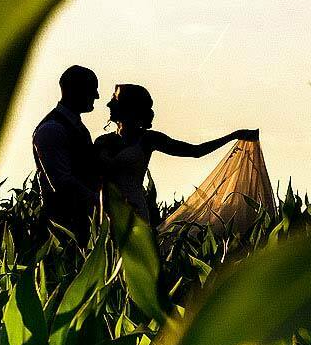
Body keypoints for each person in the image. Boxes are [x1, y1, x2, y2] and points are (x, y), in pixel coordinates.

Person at [94, 84, 257, 226]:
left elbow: (195, 151)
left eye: (115, 100)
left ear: (129, 107)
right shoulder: (102, 141)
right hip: (106, 211)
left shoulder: (148, 140)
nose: (109, 104)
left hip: (135, 209)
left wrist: (232, 136)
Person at [32, 65, 102, 243]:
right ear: (74, 91)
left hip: (82, 224)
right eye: (92, 89)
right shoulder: (51, 129)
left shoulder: (75, 126)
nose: (97, 96)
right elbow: (61, 182)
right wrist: (99, 201)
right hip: (64, 228)